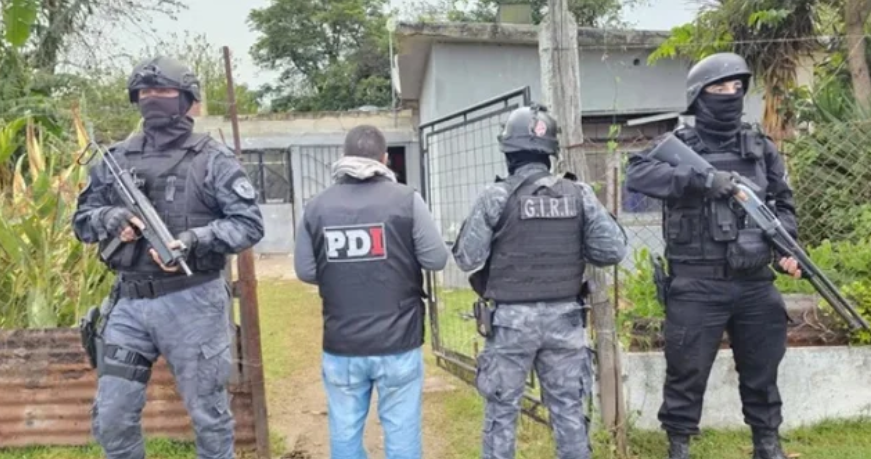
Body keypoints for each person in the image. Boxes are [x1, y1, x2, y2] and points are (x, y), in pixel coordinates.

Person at [73, 56, 265, 459]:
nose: (152, 98)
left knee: (209, 416)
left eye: (163, 91)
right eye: (145, 92)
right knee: (112, 415)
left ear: (186, 99)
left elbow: (248, 225)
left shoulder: (213, 159)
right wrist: (110, 218)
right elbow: (82, 222)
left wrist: (195, 239)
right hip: (128, 304)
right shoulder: (115, 159)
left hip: (193, 302)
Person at [624, 52, 801, 459]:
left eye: (737, 87)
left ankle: (767, 443)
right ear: (698, 96)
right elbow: (637, 173)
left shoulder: (760, 146)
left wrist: (784, 248)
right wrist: (702, 180)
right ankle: (679, 446)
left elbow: (783, 204)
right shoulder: (679, 145)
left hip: (755, 282)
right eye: (720, 88)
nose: (730, 94)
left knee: (763, 369)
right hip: (697, 283)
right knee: (686, 371)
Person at [452, 104, 628, 459]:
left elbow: (467, 258)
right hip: (565, 320)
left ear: (508, 153)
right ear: (551, 153)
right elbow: (612, 250)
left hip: (511, 325)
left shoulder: (496, 196)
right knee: (569, 413)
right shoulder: (579, 194)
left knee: (502, 415)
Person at [293, 125, 449, 459]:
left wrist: (344, 271)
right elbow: (436, 259)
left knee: (344, 430)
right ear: (385, 159)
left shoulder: (316, 207)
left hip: (342, 343)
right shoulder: (407, 200)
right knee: (402, 429)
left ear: (343, 158)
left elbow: (306, 270)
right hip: (398, 341)